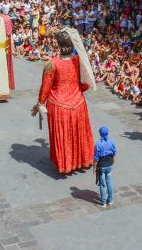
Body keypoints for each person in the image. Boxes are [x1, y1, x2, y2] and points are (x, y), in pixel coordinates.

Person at [31, 28, 95, 174]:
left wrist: (39, 104)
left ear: (58, 44)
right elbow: (85, 85)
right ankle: (81, 160)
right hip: (78, 103)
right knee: (78, 133)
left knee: (64, 136)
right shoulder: (78, 61)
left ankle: (66, 164)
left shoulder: (52, 64)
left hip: (59, 105)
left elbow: (45, 88)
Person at [93, 126, 117, 208]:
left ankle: (103, 203)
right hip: (109, 164)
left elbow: (96, 158)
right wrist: (112, 162)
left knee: (103, 185)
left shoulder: (98, 144)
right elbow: (114, 154)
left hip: (101, 166)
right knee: (109, 182)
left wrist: (94, 168)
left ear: (100, 134)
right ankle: (110, 200)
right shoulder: (111, 142)